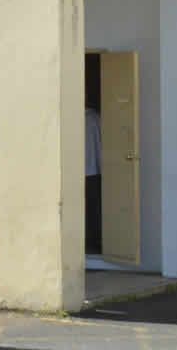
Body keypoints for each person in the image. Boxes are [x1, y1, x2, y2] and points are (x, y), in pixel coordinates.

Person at [84, 103, 102, 255]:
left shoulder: (75, 120)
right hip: (95, 170)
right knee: (94, 209)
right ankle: (95, 242)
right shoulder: (97, 118)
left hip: (77, 172)